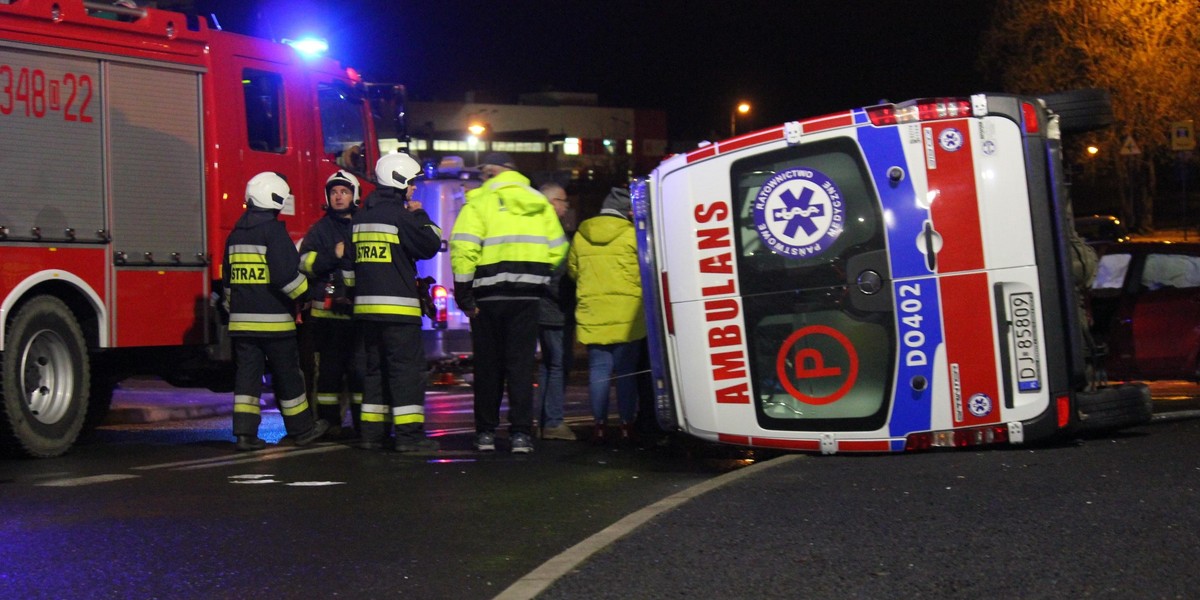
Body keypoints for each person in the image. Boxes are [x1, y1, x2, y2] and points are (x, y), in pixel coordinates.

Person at [450, 152, 567, 454]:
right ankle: (520, 435)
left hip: (487, 297)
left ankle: (486, 433)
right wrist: (537, 277)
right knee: (521, 367)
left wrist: (464, 294)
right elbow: (557, 248)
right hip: (527, 297)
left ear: (490, 172)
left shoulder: (478, 202)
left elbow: (463, 248)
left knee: (488, 367)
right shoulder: (539, 202)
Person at [222, 172, 329, 451]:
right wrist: (306, 294)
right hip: (274, 323)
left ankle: (244, 434)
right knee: (288, 376)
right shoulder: (273, 231)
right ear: (276, 198)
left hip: (242, 323)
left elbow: (229, 282)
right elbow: (285, 277)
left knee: (247, 378)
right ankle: (302, 429)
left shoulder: (236, 234)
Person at [349, 153, 442, 452]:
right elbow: (430, 245)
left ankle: (371, 435)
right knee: (405, 373)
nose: (414, 189)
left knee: (375, 372)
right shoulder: (402, 216)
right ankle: (409, 436)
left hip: (366, 311)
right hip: (398, 311)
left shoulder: (361, 217)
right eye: (412, 182)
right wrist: (420, 215)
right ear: (399, 181)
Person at [568, 187, 646, 444]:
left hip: (593, 313)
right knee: (625, 372)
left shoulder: (581, 235)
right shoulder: (632, 235)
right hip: (628, 316)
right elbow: (644, 272)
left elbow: (573, 271)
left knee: (598, 371)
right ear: (627, 212)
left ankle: (599, 424)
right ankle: (626, 423)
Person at [298, 170, 363, 437]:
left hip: (358, 317)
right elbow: (304, 263)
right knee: (328, 375)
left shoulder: (364, 226)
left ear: (354, 196)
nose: (338, 197)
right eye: (334, 192)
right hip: (326, 319)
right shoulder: (319, 229)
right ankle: (328, 423)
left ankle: (365, 425)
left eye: (344, 192)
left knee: (359, 374)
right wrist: (331, 255)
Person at [536, 182, 577, 441]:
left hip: (539, 308)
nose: (565, 206)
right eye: (563, 201)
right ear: (552, 202)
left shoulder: (532, 226)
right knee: (558, 365)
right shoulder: (552, 230)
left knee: (548, 366)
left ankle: (544, 421)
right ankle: (553, 422)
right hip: (555, 309)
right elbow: (554, 275)